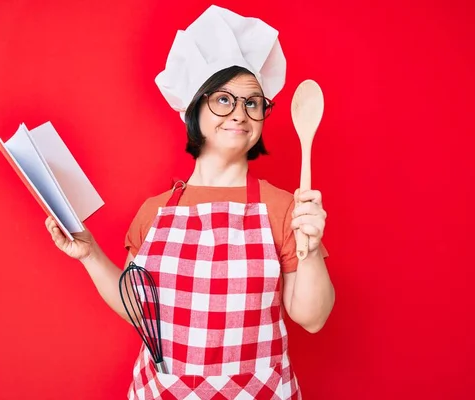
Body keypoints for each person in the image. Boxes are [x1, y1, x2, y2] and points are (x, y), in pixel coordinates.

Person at [45, 5, 334, 399]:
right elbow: (138, 310)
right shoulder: (155, 211)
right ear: (194, 108)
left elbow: (312, 318)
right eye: (223, 99)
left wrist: (312, 249)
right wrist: (90, 253)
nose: (240, 113)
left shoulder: (284, 208)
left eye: (253, 103)